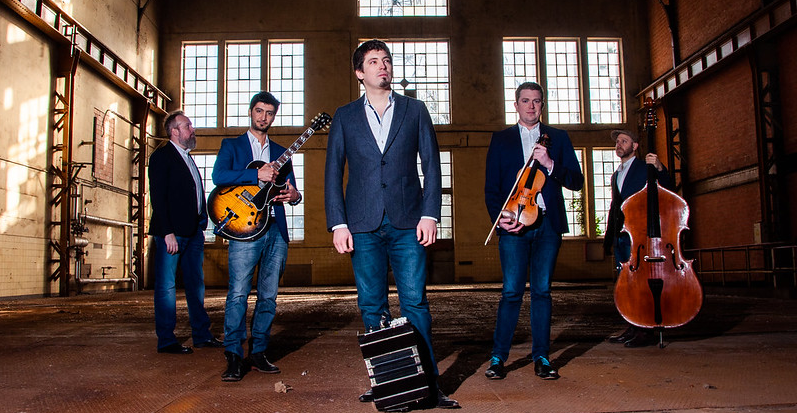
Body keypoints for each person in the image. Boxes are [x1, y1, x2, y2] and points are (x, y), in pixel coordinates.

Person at [324, 39, 459, 409]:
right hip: (362, 224)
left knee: (415, 302)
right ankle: (386, 381)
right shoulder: (345, 116)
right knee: (372, 305)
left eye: (386, 60)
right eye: (373, 61)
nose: (382, 66)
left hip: (408, 222)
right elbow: (333, 173)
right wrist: (337, 223)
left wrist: (431, 214)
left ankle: (430, 385)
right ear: (359, 73)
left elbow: (432, 166)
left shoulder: (415, 111)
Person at [484, 82, 584, 380]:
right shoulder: (501, 140)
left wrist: (550, 163)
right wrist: (500, 218)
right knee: (511, 292)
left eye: (536, 101)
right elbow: (491, 189)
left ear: (543, 105)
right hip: (513, 225)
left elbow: (576, 181)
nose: (531, 106)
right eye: (525, 101)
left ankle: (542, 357)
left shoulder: (559, 138)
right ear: (515, 105)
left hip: (548, 226)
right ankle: (498, 358)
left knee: (542, 292)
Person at [212, 91, 302, 381]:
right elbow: (218, 176)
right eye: (259, 111)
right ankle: (235, 356)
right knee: (238, 293)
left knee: (269, 296)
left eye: (270, 113)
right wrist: (256, 176)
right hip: (245, 228)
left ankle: (260, 351)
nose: (264, 117)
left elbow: (293, 189)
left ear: (275, 116)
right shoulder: (232, 145)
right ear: (251, 112)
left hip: (275, 227)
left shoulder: (281, 151)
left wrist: (294, 195)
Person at [148, 110, 223, 354]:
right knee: (167, 287)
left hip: (193, 234)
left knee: (195, 285)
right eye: (188, 126)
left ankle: (201, 335)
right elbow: (158, 197)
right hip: (172, 234)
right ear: (175, 131)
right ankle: (166, 341)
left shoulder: (188, 157)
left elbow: (195, 194)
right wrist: (167, 232)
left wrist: (201, 225)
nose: (193, 130)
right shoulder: (162, 157)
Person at [603, 129, 672, 347]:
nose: (619, 144)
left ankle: (645, 330)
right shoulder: (616, 174)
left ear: (635, 146)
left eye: (624, 141)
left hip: (640, 236)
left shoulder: (645, 168)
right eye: (617, 142)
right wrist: (609, 236)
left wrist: (660, 168)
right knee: (626, 284)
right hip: (621, 235)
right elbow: (616, 207)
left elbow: (668, 189)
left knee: (641, 284)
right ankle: (632, 325)